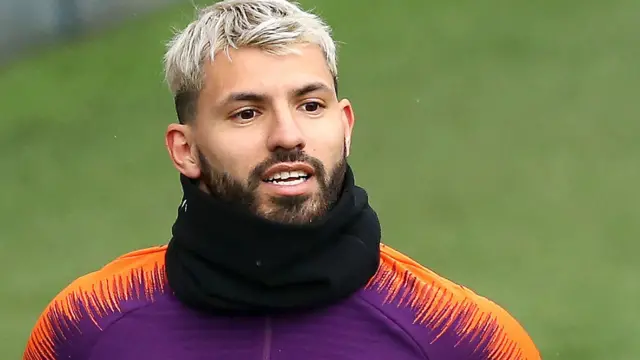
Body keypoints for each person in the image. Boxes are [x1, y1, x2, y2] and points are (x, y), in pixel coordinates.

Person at [23, 0, 541, 359]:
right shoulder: (88, 326)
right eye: (247, 113)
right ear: (185, 149)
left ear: (345, 125)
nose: (287, 135)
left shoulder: (464, 338)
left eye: (310, 105)